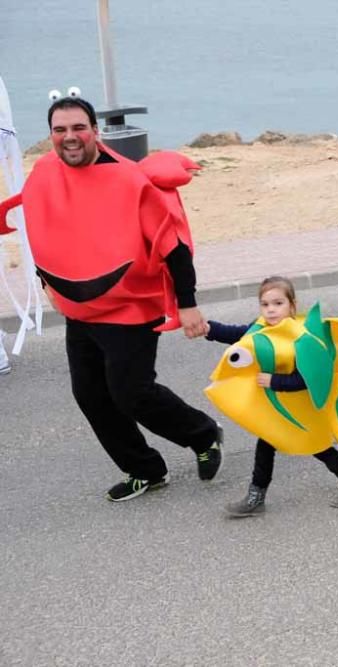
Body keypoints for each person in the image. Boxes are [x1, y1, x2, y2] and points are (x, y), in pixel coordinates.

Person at [3, 96, 223, 501]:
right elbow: (40, 227)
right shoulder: (45, 171)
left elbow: (172, 246)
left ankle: (204, 435)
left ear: (95, 131)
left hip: (131, 308)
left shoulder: (128, 180)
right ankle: (145, 469)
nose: (70, 138)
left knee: (131, 392)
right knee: (90, 395)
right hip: (80, 310)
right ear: (50, 134)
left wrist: (188, 303)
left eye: (78, 128)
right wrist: (46, 281)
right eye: (60, 130)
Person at [205, 276, 338, 514]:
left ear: (292, 305)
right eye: (265, 304)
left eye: (278, 303)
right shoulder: (261, 327)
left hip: (299, 408)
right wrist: (209, 329)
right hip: (278, 408)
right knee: (266, 444)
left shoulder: (300, 337)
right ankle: (256, 497)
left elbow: (308, 379)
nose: (271, 309)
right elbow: (240, 336)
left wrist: (275, 381)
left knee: (317, 445)